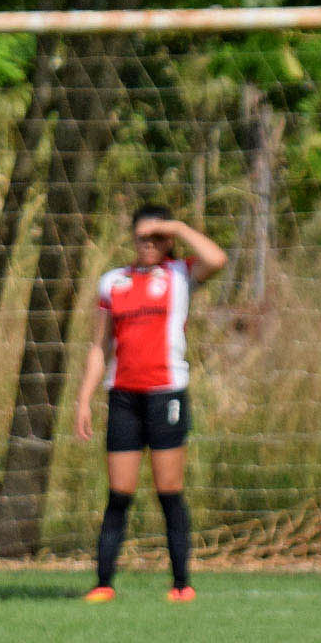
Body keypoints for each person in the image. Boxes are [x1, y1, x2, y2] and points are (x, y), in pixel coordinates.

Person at [73, 204, 226, 602]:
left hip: (166, 394)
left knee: (168, 490)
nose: (149, 244)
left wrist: (176, 225)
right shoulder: (113, 282)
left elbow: (217, 258)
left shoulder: (179, 275)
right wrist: (84, 399)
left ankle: (181, 585)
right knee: (119, 492)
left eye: (158, 237)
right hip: (123, 396)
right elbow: (100, 345)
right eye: (143, 236)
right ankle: (104, 583)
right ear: (132, 238)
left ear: (168, 240)